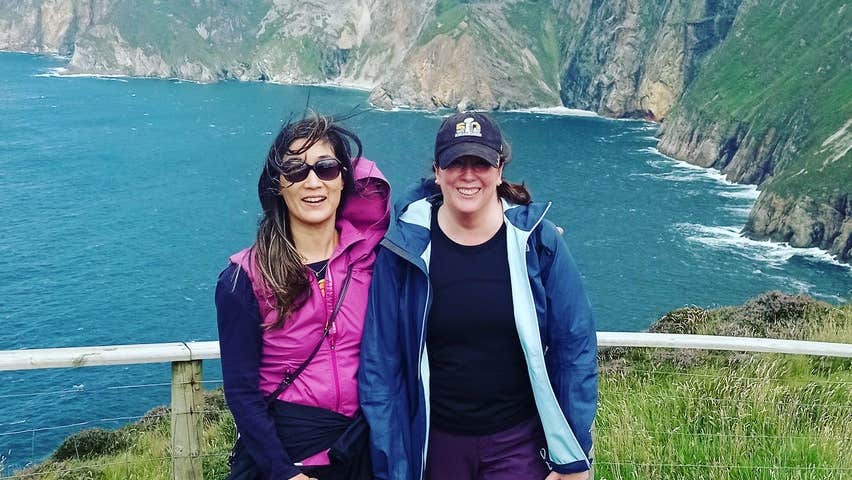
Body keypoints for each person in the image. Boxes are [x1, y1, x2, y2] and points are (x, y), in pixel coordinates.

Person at [358, 112, 597, 480]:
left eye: (481, 162)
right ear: (437, 171)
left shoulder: (538, 242)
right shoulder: (403, 252)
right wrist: (395, 467)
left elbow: (574, 347)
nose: (468, 175)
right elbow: (381, 368)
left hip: (519, 447)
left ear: (499, 170)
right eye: (456, 162)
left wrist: (573, 457)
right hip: (435, 448)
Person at [215, 112, 390, 480]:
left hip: (363, 455)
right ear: (278, 183)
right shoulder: (245, 278)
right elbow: (242, 392)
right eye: (296, 170)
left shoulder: (375, 262)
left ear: (345, 178)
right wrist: (283, 473)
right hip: (288, 459)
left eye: (326, 168)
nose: (313, 181)